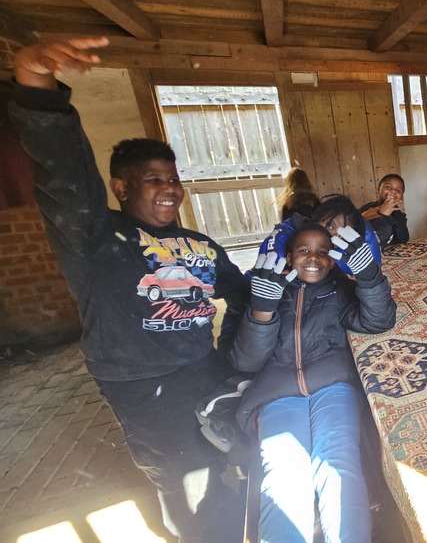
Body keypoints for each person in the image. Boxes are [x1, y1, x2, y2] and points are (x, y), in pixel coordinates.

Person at [8, 37, 247, 542]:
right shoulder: (99, 235)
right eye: (153, 179)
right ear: (122, 187)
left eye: (174, 178)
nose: (170, 188)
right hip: (145, 385)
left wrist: (235, 350)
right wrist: (37, 86)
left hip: (204, 369)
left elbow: (239, 293)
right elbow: (66, 176)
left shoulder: (199, 244)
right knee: (185, 476)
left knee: (231, 456)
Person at [224, 219, 396, 543]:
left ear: (332, 260)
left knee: (338, 463)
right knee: (285, 474)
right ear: (289, 256)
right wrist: (262, 310)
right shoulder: (268, 288)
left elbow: (379, 319)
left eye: (323, 251)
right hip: (277, 393)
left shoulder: (339, 289)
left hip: (332, 385)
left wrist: (368, 276)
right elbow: (245, 361)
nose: (314, 257)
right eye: (304, 250)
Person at [359, 173, 409, 247]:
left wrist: (395, 213)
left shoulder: (399, 215)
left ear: (401, 197)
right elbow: (363, 235)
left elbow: (403, 239)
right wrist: (382, 214)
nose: (393, 191)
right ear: (378, 190)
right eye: (388, 187)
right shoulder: (367, 209)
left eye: (398, 190)